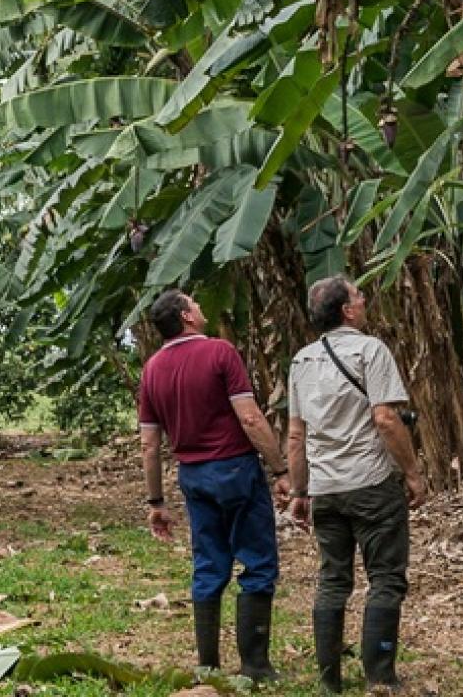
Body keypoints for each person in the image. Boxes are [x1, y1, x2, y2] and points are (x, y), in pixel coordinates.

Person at [137, 289, 290, 683]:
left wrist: (156, 500)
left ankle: (207, 664)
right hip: (236, 468)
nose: (202, 308)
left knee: (208, 564)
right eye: (195, 304)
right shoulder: (220, 352)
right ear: (186, 316)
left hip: (193, 475)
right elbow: (251, 418)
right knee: (257, 562)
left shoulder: (152, 369)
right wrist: (279, 470)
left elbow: (149, 443)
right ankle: (255, 665)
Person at [284, 276, 425, 693]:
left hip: (325, 489)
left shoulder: (301, 361)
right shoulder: (370, 349)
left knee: (333, 580)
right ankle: (380, 676)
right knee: (385, 577)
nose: (364, 300)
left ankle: (330, 682)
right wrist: (413, 474)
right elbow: (385, 419)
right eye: (359, 295)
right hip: (371, 484)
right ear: (347, 310)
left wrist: (299, 492)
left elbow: (295, 434)